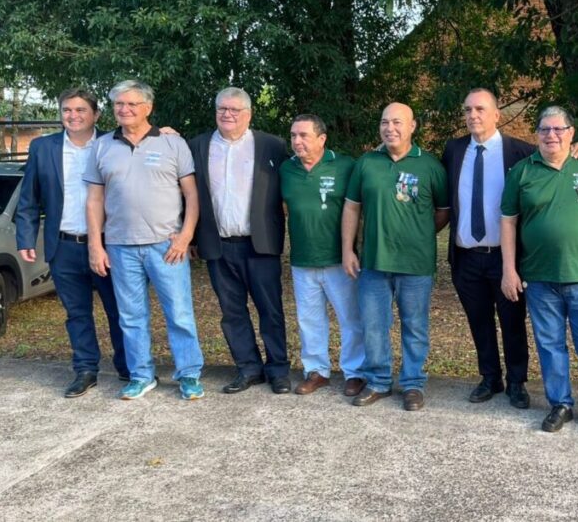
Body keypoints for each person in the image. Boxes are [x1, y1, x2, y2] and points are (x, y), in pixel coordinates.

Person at [500, 106, 578, 435]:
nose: (551, 135)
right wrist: (508, 270)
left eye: (558, 129)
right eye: (544, 130)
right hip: (539, 278)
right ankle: (561, 404)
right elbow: (508, 221)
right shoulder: (522, 171)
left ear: (571, 133)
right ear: (537, 134)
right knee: (550, 343)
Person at [84, 80, 204, 400]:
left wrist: (186, 236)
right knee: (131, 315)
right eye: (119, 104)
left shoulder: (172, 144)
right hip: (121, 246)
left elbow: (192, 196)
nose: (124, 110)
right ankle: (141, 375)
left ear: (147, 108)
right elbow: (94, 201)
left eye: (131, 104)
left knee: (178, 312)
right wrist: (96, 245)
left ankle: (189, 374)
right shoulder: (102, 146)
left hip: (167, 245)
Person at [15, 88, 129, 397]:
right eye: (67, 110)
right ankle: (85, 369)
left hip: (107, 245)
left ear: (96, 114)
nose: (73, 116)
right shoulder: (43, 147)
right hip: (62, 246)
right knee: (77, 313)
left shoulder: (113, 144)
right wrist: (25, 236)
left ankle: (126, 366)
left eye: (80, 110)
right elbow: (29, 198)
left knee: (119, 310)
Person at [342, 103, 449, 411]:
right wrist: (348, 249)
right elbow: (352, 207)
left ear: (412, 126)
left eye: (398, 122)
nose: (390, 128)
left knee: (415, 325)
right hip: (374, 262)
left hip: (416, 265)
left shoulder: (429, 166)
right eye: (385, 122)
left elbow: (443, 211)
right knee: (374, 326)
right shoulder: (366, 163)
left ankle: (413, 384)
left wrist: (420, 235)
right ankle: (378, 381)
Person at [189, 87, 291, 395]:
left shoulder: (272, 145)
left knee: (270, 310)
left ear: (248, 114)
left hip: (260, 245)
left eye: (234, 110)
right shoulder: (198, 145)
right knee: (232, 312)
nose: (227, 114)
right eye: (222, 109)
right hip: (218, 245)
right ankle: (248, 368)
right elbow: (187, 194)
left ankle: (278, 370)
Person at [440, 89, 533, 408]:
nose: (472, 115)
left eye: (480, 109)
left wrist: (577, 147)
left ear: (497, 114)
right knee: (478, 320)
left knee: (512, 321)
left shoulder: (520, 152)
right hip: (466, 257)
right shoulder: (453, 150)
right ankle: (489, 377)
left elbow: (556, 156)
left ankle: (517, 382)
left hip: (505, 258)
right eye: (467, 110)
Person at [281, 114, 366, 397]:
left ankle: (355, 372)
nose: (297, 141)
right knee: (309, 319)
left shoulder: (345, 166)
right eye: (293, 135)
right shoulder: (286, 169)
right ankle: (316, 371)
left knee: (350, 318)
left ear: (322, 138)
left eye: (304, 135)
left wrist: (351, 250)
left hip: (340, 260)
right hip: (302, 260)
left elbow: (357, 208)